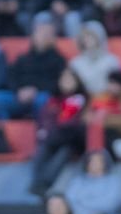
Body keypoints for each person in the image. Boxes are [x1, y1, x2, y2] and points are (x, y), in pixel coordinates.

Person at [29, 67, 88, 195]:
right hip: (54, 137)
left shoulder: (82, 99)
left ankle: (44, 183)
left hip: (73, 140)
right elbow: (44, 120)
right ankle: (36, 182)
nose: (66, 82)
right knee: (42, 150)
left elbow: (72, 121)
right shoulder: (53, 100)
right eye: (64, 79)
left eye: (69, 79)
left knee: (64, 151)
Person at [65, 149, 121, 214]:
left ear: (105, 163)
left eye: (98, 161)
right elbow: (70, 202)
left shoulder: (113, 181)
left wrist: (83, 202)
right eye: (92, 161)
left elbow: (110, 204)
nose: (94, 164)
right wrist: (87, 213)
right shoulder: (77, 181)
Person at [69, 21, 121, 97]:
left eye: (90, 36)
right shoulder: (75, 63)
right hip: (84, 102)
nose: (86, 40)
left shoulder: (112, 61)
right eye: (84, 37)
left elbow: (118, 85)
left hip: (107, 101)